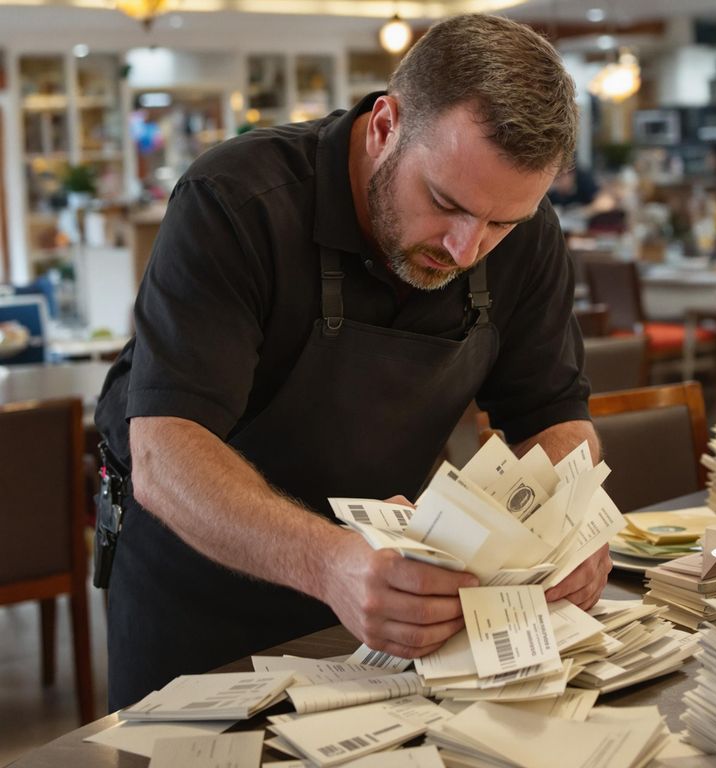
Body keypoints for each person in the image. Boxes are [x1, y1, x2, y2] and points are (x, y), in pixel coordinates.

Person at [95, 13, 611, 711]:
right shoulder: (237, 203)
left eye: (500, 224)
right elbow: (163, 453)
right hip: (200, 599)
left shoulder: (525, 236)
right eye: (446, 203)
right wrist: (330, 561)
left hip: (391, 613)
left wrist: (567, 526)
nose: (467, 249)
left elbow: (551, 413)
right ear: (384, 125)